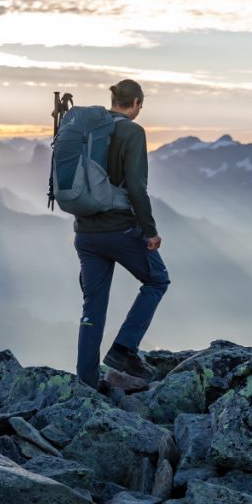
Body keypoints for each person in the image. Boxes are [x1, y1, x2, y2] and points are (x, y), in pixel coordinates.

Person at [74, 79, 170, 389]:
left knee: (93, 305)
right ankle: (124, 349)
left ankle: (87, 381)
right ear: (137, 103)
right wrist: (150, 231)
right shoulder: (132, 131)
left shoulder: (87, 129)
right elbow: (136, 186)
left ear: (113, 100)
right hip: (120, 229)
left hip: (85, 231)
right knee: (157, 279)